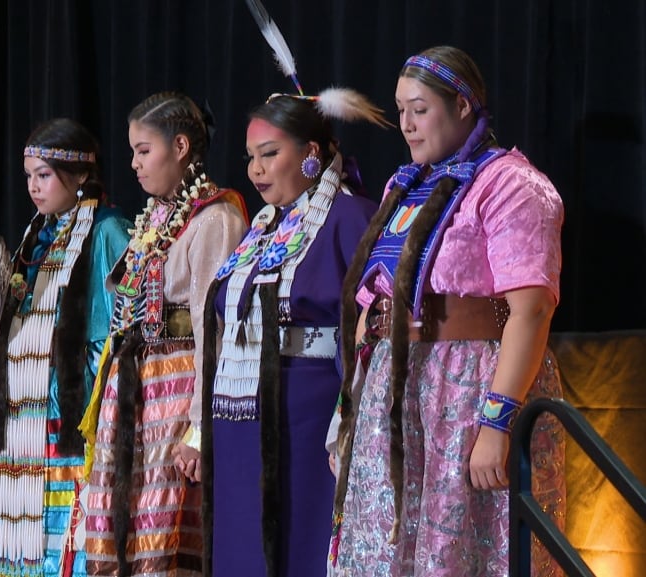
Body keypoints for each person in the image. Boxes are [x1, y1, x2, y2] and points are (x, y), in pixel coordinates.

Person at [328, 46, 566, 576]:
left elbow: (529, 311)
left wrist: (497, 423)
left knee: (461, 551)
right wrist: (349, 416)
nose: (407, 125)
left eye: (420, 109)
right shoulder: (404, 185)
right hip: (395, 390)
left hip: (468, 387)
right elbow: (372, 301)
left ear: (462, 106)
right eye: (401, 110)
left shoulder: (511, 184)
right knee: (384, 548)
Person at [196, 89, 388, 577]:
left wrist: (351, 421)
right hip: (240, 415)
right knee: (242, 543)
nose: (256, 170)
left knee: (300, 539)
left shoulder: (351, 218)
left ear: (311, 154)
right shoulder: (261, 227)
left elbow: (369, 329)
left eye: (270, 154)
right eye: (250, 158)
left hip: (308, 412)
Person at [79, 91, 249, 577]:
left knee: (162, 523)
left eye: (143, 150)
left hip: (176, 390)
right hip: (134, 386)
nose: (133, 163)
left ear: (180, 147)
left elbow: (212, 329)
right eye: (131, 151)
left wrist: (199, 427)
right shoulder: (154, 216)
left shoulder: (216, 217)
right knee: (116, 522)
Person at [0, 117, 132, 577]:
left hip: (68, 425)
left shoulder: (109, 230)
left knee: (63, 555)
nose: (34, 188)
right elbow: (12, 330)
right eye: (29, 176)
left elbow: (125, 330)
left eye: (44, 175)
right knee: (13, 555)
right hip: (16, 424)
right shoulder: (34, 240)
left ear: (79, 176)